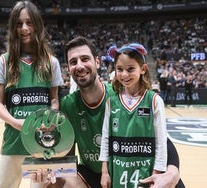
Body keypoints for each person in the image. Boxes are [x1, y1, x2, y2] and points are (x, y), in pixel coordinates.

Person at [32, 36, 184, 188]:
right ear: (68, 68)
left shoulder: (120, 95)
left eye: (85, 59)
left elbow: (162, 140)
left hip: (129, 168)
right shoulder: (67, 105)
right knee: (47, 184)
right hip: (93, 174)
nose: (79, 66)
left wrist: (173, 172)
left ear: (97, 62)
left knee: (172, 184)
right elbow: (68, 156)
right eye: (73, 62)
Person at [0, 1, 63, 188]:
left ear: (37, 25)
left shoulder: (51, 62)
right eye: (19, 23)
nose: (24, 28)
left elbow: (54, 100)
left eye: (29, 22)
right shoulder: (4, 61)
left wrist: (50, 117)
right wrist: (17, 123)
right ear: (13, 27)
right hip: (13, 142)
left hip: (41, 142)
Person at [99, 43, 168, 188]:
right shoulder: (111, 102)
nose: (124, 74)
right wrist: (104, 171)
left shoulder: (154, 100)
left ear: (143, 69)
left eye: (130, 69)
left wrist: (157, 173)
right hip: (117, 170)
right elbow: (105, 139)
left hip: (146, 172)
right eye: (119, 69)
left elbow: (161, 143)